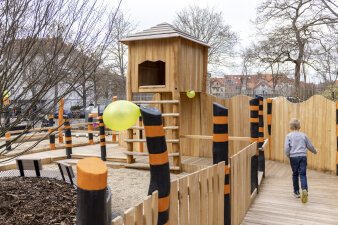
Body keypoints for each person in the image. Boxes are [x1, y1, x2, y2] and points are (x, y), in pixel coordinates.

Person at [285, 118, 318, 203]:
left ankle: (296, 192)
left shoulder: (288, 136)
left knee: (295, 174)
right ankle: (304, 190)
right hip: (303, 156)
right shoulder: (303, 135)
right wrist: (315, 151)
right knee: (303, 174)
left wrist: (289, 155)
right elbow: (309, 145)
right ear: (299, 126)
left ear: (290, 127)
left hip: (294, 157)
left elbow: (286, 148)